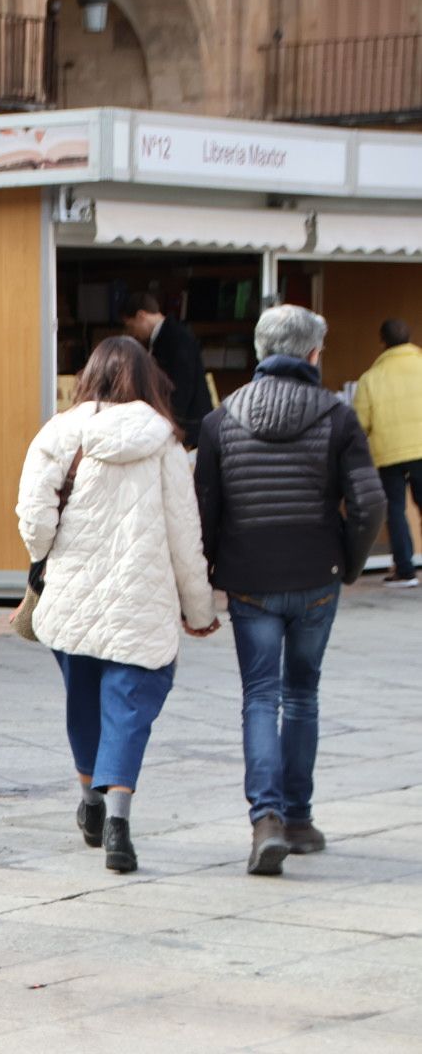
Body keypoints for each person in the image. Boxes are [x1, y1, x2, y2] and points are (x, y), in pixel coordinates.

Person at [16, 336, 218, 875]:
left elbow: (34, 516)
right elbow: (185, 536)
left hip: (71, 597)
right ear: (149, 378)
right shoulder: (166, 444)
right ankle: (119, 822)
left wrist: (44, 555)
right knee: (128, 707)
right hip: (141, 599)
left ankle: (89, 799)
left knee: (82, 700)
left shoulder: (60, 432)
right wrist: (199, 611)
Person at [196, 305, 384, 876]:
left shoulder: (220, 419)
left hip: (250, 579)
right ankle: (299, 820)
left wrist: (209, 573)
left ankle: (267, 821)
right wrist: (347, 565)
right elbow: (370, 501)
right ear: (312, 354)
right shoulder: (337, 415)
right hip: (315, 576)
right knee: (302, 696)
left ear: (259, 350)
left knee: (260, 696)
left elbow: (203, 510)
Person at [352, 318, 422, 588]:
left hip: (389, 454)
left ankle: (404, 571)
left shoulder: (371, 378)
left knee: (395, 509)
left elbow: (360, 423)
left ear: (382, 341)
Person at [122, 292, 212, 450]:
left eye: (131, 326)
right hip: (181, 428)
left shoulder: (175, 338)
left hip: (186, 430)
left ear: (141, 316)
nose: (133, 333)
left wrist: (170, 428)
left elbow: (182, 388)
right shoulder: (168, 336)